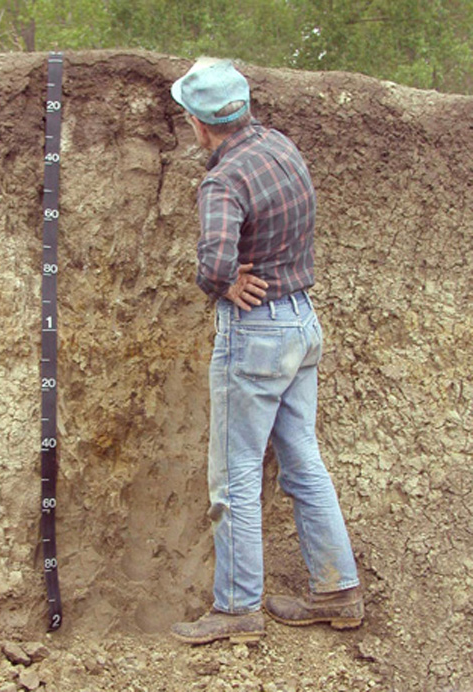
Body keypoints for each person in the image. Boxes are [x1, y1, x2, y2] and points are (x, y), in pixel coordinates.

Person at [169, 58, 363, 645]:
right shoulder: (280, 147)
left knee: (233, 477)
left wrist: (221, 283)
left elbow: (213, 261)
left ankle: (236, 608)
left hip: (256, 334)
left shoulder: (224, 180)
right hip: (302, 321)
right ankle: (338, 592)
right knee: (303, 460)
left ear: (201, 125)